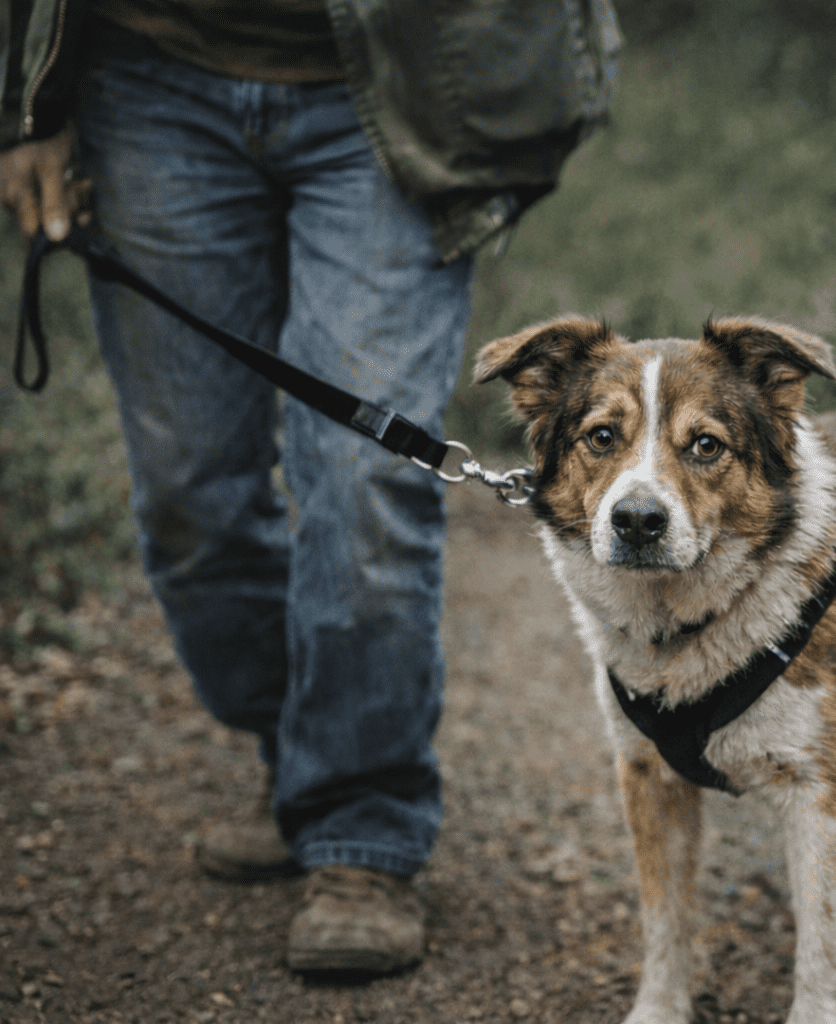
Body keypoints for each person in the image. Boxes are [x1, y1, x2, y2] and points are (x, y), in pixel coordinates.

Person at [0, 0, 620, 975]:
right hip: (147, 78)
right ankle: (298, 750)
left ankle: (360, 824)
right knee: (189, 495)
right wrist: (23, 109)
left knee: (366, 477)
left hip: (392, 89)